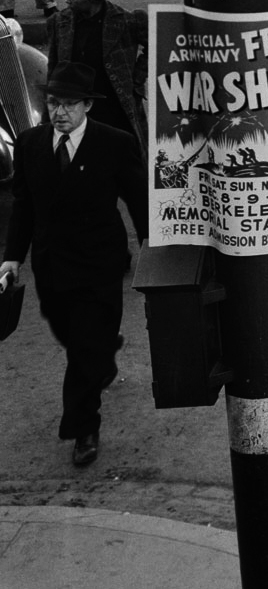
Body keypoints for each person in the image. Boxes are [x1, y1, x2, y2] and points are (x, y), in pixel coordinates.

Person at [0, 63, 147, 468]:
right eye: (52, 103)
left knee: (83, 347)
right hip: (52, 265)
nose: (59, 112)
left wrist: (153, 244)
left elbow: (137, 198)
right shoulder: (29, 144)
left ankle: (83, 428)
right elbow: (24, 207)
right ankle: (103, 353)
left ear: (86, 106)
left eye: (68, 104)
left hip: (100, 262)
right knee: (71, 334)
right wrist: (12, 257)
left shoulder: (113, 143)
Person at [44, 0, 145, 134]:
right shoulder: (59, 22)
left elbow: (155, 45)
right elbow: (53, 66)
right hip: (76, 102)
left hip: (112, 102)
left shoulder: (126, 21)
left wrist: (137, 78)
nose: (67, 0)